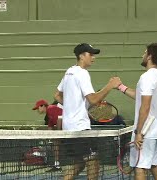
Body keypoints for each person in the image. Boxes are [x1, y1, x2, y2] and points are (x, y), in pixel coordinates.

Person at [54, 43, 121, 180]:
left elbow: (57, 95)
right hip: (79, 127)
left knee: (79, 163)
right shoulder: (82, 73)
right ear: (81, 56)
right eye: (90, 54)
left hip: (68, 128)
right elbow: (93, 100)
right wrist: (110, 86)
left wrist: (72, 106)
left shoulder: (69, 72)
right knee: (93, 161)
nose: (93, 58)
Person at [117, 43, 157, 180]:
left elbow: (145, 107)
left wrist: (139, 132)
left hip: (148, 130)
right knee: (154, 165)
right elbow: (140, 96)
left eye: (145, 53)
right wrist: (121, 87)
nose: (143, 55)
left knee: (140, 167)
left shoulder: (146, 78)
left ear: (150, 56)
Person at [32, 99, 63, 171]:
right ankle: (57, 165)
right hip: (64, 130)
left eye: (38, 108)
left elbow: (60, 118)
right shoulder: (49, 114)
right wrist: (47, 137)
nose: (38, 110)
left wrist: (58, 133)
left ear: (42, 106)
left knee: (56, 141)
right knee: (56, 143)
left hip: (70, 128)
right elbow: (50, 126)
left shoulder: (51, 108)